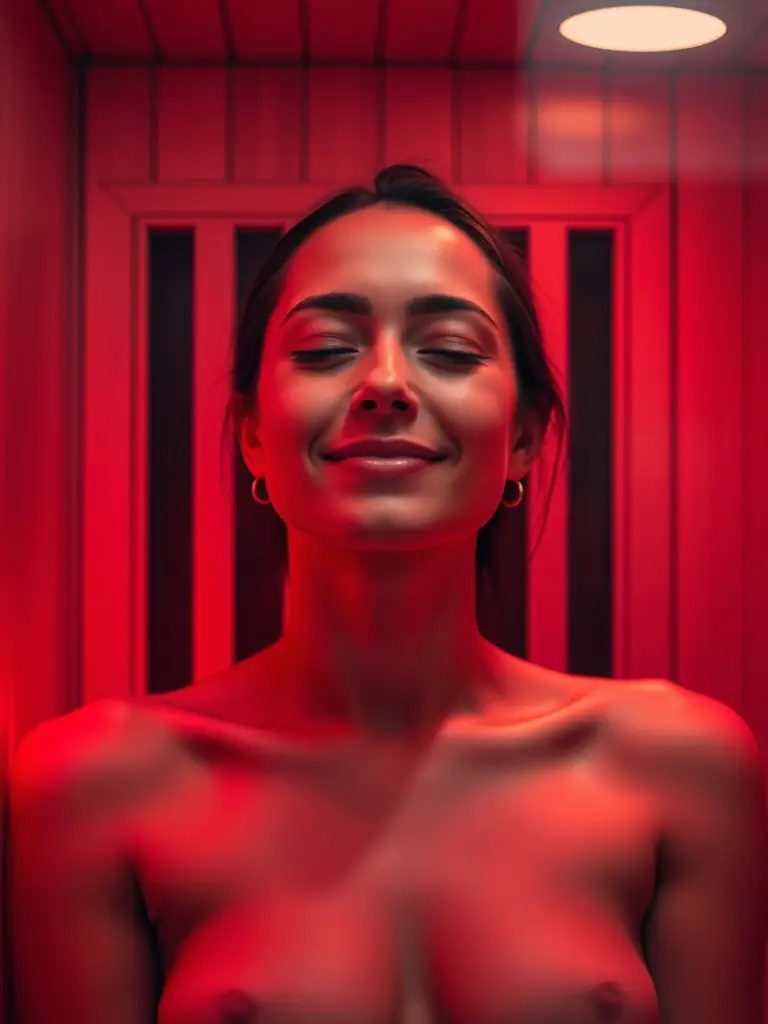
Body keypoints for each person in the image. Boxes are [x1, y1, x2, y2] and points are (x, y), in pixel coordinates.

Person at [8, 164, 766, 1024]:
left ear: (523, 437)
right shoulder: (93, 783)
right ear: (254, 433)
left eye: (448, 350)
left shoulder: (678, 767)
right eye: (327, 348)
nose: (386, 384)